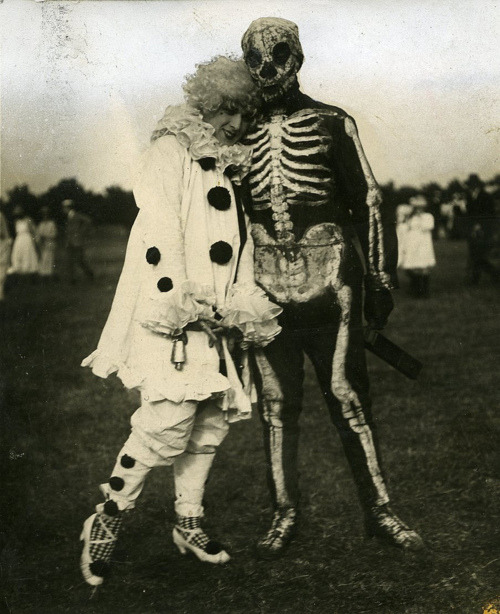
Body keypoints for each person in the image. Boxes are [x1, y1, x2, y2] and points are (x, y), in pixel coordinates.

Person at [79, 56, 282, 587]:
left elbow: (233, 249)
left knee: (211, 424)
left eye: (246, 114)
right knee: (165, 426)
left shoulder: (227, 166)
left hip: (218, 323)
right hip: (175, 318)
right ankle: (106, 519)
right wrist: (180, 302)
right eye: (230, 111)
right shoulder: (169, 151)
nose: (237, 124)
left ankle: (188, 522)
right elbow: (158, 234)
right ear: (209, 102)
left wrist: (238, 302)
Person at [240, 17, 424, 558]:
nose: (267, 70)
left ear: (298, 59)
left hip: (332, 288)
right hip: (264, 293)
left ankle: (380, 510)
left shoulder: (330, 121)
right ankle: (284, 512)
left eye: (278, 57)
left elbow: (367, 200)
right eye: (255, 59)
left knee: (347, 398)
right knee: (275, 406)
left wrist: (381, 278)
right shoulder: (236, 131)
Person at [464, 174, 499, 284]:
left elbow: (490, 214)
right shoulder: (469, 197)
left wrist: (480, 224)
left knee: (479, 255)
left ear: (477, 185)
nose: (470, 187)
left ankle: (494, 274)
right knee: (474, 254)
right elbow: (469, 214)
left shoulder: (486, 197)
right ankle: (477, 278)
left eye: (472, 184)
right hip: (472, 229)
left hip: (484, 229)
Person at [398, 195, 436, 298]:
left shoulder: (428, 216)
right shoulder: (410, 218)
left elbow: (429, 226)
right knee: (413, 266)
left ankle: (424, 291)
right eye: (416, 207)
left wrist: (420, 219)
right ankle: (416, 288)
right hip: (412, 244)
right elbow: (404, 229)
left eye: (420, 207)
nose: (418, 210)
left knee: (423, 266)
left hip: (424, 244)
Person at [62, 199, 94, 283]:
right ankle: (72, 280)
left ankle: (90, 274)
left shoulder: (77, 215)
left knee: (80, 260)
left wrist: (81, 232)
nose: (63, 210)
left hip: (77, 242)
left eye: (64, 208)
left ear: (68, 208)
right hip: (70, 242)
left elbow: (88, 221)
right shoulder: (69, 217)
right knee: (70, 261)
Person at [8, 206, 39, 279]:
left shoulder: (28, 220)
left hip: (27, 238)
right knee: (18, 253)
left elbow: (33, 230)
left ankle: (30, 271)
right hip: (19, 238)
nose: (18, 215)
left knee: (28, 254)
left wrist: (35, 240)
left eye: (19, 213)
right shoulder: (16, 221)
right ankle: (19, 270)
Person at [37, 206, 58, 279]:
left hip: (50, 242)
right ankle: (43, 274)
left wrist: (46, 236)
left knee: (49, 258)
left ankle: (49, 274)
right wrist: (39, 240)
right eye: (43, 215)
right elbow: (38, 234)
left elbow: (54, 234)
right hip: (42, 243)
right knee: (43, 258)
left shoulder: (51, 223)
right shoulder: (41, 224)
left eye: (46, 214)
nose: (45, 216)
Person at [0, 209, 13, 301]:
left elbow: (3, 232)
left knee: (2, 268)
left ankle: (0, 292)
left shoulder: (0, 215)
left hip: (2, 244)